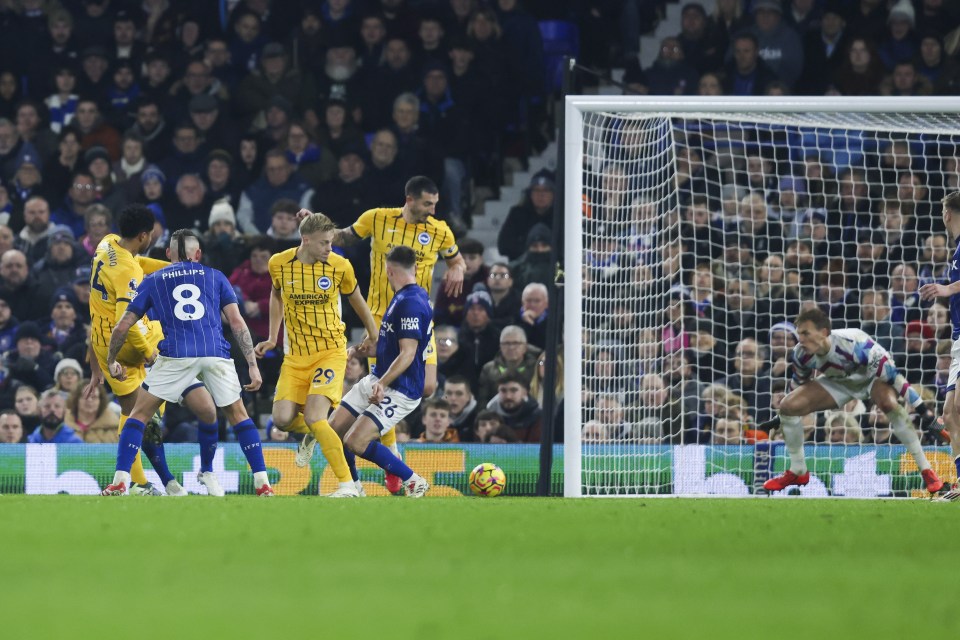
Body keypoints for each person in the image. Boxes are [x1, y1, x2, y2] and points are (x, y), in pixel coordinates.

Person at [101, 230, 274, 498]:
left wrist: (111, 359)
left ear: (168, 254)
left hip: (175, 355)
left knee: (138, 416)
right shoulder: (216, 276)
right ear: (198, 255)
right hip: (214, 352)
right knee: (239, 416)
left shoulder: (154, 279)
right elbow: (237, 322)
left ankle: (121, 481)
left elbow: (123, 324)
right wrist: (252, 364)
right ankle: (263, 483)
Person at [323, 175, 465, 493]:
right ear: (410, 199)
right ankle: (383, 463)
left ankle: (394, 461)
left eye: (435, 204)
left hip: (414, 316)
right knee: (377, 389)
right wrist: (319, 230)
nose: (432, 209)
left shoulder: (440, 230)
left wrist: (457, 267)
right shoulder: (378, 218)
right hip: (380, 314)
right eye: (427, 203)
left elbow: (458, 260)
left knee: (424, 386)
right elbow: (345, 237)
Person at [84, 204, 217, 497]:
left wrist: (174, 269)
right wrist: (146, 353)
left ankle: (151, 482)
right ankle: (148, 482)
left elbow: (138, 264)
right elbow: (125, 321)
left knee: (134, 412)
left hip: (102, 341)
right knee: (140, 416)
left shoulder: (107, 243)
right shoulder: (126, 270)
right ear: (144, 235)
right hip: (126, 345)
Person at [252, 212, 378, 498]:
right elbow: (276, 295)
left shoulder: (339, 266)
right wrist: (273, 337)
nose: (329, 248)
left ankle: (349, 485)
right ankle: (314, 433)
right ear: (305, 240)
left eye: (331, 242)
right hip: (295, 356)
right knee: (282, 419)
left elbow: (357, 299)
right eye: (323, 243)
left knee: (316, 416)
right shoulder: (279, 264)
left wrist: (373, 333)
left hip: (330, 352)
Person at [762, 307, 943, 494]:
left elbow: (896, 379)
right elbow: (798, 384)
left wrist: (924, 411)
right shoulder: (801, 353)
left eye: (806, 333)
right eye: (799, 334)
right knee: (788, 406)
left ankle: (926, 470)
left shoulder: (855, 345)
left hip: (872, 378)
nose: (801, 339)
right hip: (839, 383)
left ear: (824, 332)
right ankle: (798, 470)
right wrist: (781, 416)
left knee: (889, 404)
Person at [326, 246, 433, 497]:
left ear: (388, 270)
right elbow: (394, 344)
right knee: (333, 431)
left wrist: (383, 383)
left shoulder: (410, 304)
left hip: (401, 388)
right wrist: (364, 350)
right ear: (415, 269)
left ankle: (413, 480)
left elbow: (408, 353)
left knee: (355, 441)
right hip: (380, 377)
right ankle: (353, 488)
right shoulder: (406, 295)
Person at [919, 191, 960, 500]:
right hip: (958, 337)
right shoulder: (957, 249)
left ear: (947, 214)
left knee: (957, 408)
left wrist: (947, 288)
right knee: (950, 411)